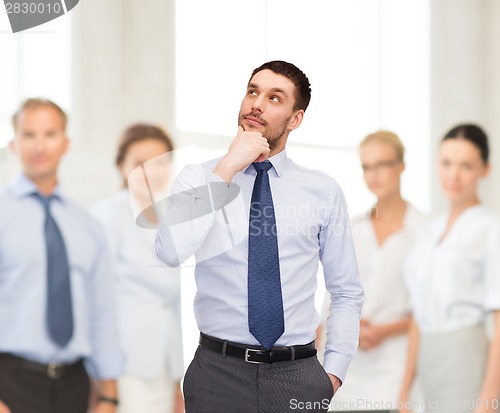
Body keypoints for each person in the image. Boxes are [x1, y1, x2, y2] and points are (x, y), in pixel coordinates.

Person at [156, 60, 364, 413]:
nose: (257, 103)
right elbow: (169, 251)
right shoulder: (199, 178)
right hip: (216, 374)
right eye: (253, 91)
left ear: (295, 119)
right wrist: (226, 168)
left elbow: (346, 290)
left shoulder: (322, 191)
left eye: (274, 98)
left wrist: (333, 374)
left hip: (298, 374)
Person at [0, 98, 121, 413]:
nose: (40, 145)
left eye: (50, 134)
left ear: (65, 143)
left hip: (75, 385)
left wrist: (109, 394)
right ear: (13, 143)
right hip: (9, 382)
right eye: (29, 134)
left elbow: (102, 311)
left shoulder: (87, 226)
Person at [400, 124, 500, 413]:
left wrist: (488, 400)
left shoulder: (490, 229)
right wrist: (405, 390)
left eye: (466, 166)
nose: (453, 175)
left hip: (466, 355)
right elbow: (417, 316)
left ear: (485, 169)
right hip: (428, 360)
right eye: (446, 163)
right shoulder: (427, 232)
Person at [329, 130, 426, 411]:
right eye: (367, 167)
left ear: (401, 166)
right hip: (348, 373)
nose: (374, 174)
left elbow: (429, 311)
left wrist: (386, 330)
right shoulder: (351, 227)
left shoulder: (425, 230)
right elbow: (333, 296)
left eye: (383, 164)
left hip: (396, 372)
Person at [92, 123, 184, 413]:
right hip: (124, 367)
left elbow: (171, 304)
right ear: (122, 167)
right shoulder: (106, 217)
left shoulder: (173, 220)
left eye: (160, 162)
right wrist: (105, 382)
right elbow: (96, 302)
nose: (151, 172)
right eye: (139, 164)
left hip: (164, 365)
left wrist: (176, 379)